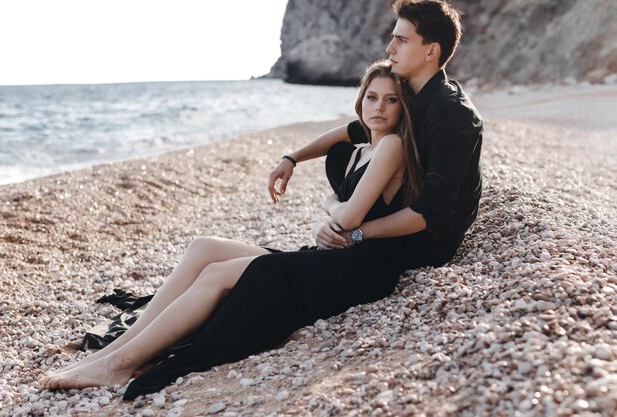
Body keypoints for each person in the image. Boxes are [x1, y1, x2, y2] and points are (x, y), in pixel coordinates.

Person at [40, 59, 423, 398]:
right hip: (327, 258)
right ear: (361, 101)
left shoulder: (391, 144)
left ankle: (119, 365)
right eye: (372, 97)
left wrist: (328, 205)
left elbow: (347, 220)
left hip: (357, 271)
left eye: (390, 100)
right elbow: (335, 137)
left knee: (218, 273)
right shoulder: (363, 144)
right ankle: (118, 347)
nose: (379, 107)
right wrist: (291, 158)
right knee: (204, 246)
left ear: (401, 106)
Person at [270, 0, 483, 254]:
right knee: (339, 153)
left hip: (429, 240)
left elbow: (434, 211)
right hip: (400, 212)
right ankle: (346, 217)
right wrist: (292, 158)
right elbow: (354, 130)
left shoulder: (451, 112)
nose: (389, 48)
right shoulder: (413, 96)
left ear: (431, 51)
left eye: (401, 41)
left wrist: (358, 233)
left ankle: (346, 221)